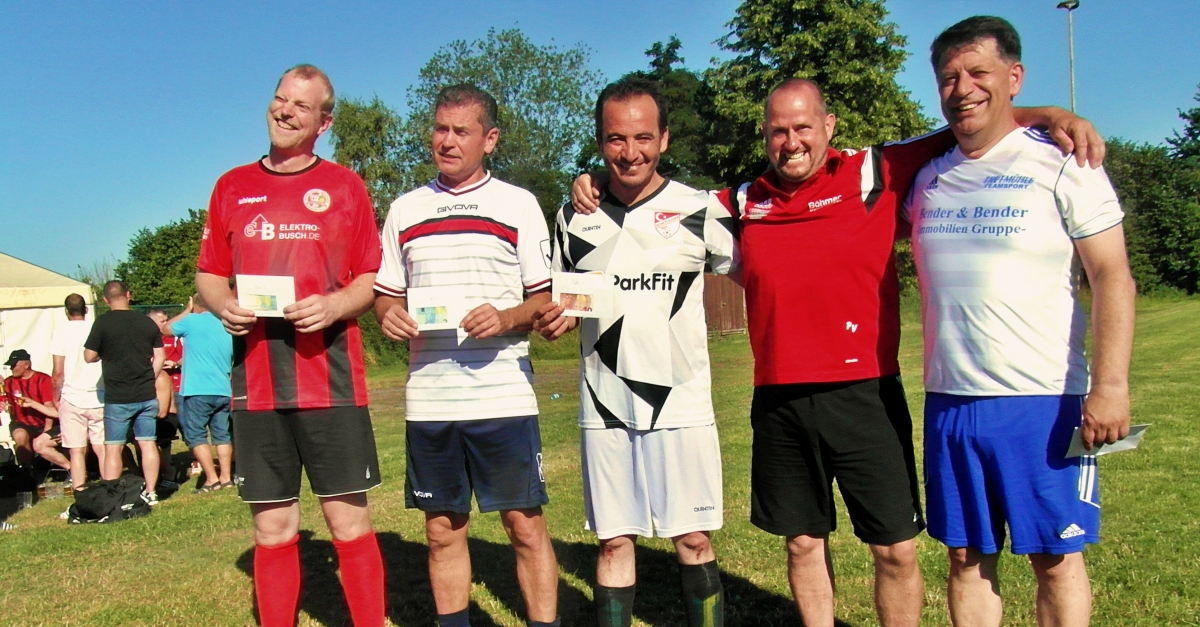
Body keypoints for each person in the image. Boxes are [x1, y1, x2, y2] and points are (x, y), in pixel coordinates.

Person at [571, 82, 1104, 627]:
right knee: (802, 545)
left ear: (829, 127)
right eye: (778, 130)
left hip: (865, 393)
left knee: (895, 549)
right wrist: (590, 185)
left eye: (803, 127)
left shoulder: (871, 172)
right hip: (780, 400)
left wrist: (1049, 113)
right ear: (765, 136)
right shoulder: (742, 202)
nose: (791, 141)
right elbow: (651, 203)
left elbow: (967, 123)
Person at [904, 16, 1135, 627]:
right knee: (964, 556)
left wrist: (1110, 386)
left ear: (1014, 76)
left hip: (1043, 400)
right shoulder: (926, 177)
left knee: (1056, 559)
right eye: (949, 77)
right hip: (950, 400)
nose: (962, 88)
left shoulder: (1066, 163)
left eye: (978, 72)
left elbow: (1113, 276)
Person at [533, 76, 734, 627]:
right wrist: (552, 320)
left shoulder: (701, 210)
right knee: (614, 543)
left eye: (643, 138)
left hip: (681, 401)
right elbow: (562, 303)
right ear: (600, 142)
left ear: (664, 139)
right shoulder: (572, 215)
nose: (631, 152)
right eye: (616, 139)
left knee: (693, 538)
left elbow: (754, 272)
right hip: (603, 403)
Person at [196, 64, 385, 627]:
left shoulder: (346, 186)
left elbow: (370, 278)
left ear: (323, 122)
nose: (285, 111)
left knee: (348, 523)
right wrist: (220, 302)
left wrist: (331, 306)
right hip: (254, 385)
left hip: (331, 380)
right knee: (272, 528)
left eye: (301, 106)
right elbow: (209, 273)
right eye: (280, 99)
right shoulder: (231, 185)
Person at [373, 84, 560, 627]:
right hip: (430, 400)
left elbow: (544, 298)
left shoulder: (518, 203)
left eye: (461, 131)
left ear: (490, 139)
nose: (447, 141)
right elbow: (387, 293)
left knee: (525, 526)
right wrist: (388, 314)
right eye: (440, 129)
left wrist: (504, 318)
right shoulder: (405, 208)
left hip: (502, 394)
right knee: (441, 533)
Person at [84, 281, 164, 504]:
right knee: (147, 443)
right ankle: (151, 491)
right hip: (146, 393)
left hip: (118, 396)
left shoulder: (102, 323)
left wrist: (103, 354)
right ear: (129, 295)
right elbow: (160, 357)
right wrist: (151, 377)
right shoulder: (147, 323)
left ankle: (113, 494)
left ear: (105, 300)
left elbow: (89, 356)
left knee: (113, 448)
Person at [167, 295, 234, 492]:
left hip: (197, 390)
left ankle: (211, 479)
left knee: (196, 434)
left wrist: (187, 311)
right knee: (222, 435)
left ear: (195, 305)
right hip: (223, 388)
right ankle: (226, 477)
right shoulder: (225, 324)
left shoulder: (191, 321)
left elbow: (165, 329)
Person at [49, 293, 106, 489]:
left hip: (72, 396)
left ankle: (80, 489)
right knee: (102, 447)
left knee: (76, 450)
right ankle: (110, 486)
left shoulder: (60, 333)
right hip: (99, 394)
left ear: (66, 311)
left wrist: (56, 397)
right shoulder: (97, 328)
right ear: (86, 309)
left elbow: (58, 372)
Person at [3, 349, 71, 473]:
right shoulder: (8, 382)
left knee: (43, 442)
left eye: (14, 365)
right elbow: (4, 398)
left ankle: (70, 469)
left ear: (26, 365)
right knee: (20, 436)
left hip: (42, 421)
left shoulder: (43, 380)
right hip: (21, 422)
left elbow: (50, 407)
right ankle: (26, 471)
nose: (12, 369)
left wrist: (47, 427)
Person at [149, 307, 184, 487]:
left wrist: (176, 363)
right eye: (161, 321)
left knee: (175, 426)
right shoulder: (146, 340)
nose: (166, 324)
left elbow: (189, 355)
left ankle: (171, 470)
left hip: (174, 388)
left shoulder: (175, 337)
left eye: (166, 320)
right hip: (155, 392)